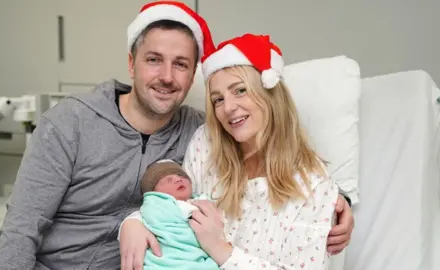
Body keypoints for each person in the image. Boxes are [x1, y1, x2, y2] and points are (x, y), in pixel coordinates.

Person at [0, 2, 215, 269]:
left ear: (192, 76)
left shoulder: (197, 133)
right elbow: (22, 228)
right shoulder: (69, 122)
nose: (166, 76)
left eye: (181, 64)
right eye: (153, 60)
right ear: (132, 64)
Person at [120, 33, 339, 269]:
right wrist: (133, 223)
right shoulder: (206, 144)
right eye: (218, 99)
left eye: (240, 90)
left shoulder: (314, 186)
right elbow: (175, 203)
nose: (228, 108)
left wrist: (222, 250)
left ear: (269, 92)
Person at [138, 159, 219, 269]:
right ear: (154, 192)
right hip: (167, 260)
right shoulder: (157, 206)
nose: (177, 179)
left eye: (181, 177)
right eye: (168, 180)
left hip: (194, 259)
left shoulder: (198, 201)